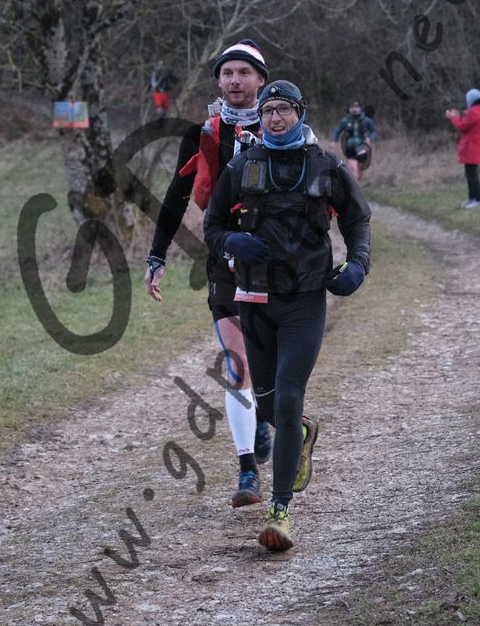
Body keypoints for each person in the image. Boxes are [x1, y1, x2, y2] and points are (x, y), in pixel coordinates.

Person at [204, 80, 371, 551]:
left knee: (289, 393)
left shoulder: (325, 165)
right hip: (253, 298)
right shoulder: (242, 166)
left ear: (300, 113)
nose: (275, 118)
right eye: (268, 111)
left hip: (304, 298)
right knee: (266, 403)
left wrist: (358, 264)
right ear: (260, 117)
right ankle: (298, 432)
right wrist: (231, 241)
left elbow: (357, 219)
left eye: (284, 110)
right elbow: (213, 225)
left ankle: (280, 512)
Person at [144, 39, 273, 506]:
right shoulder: (203, 134)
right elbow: (176, 197)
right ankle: (247, 472)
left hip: (276, 260)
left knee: (269, 365)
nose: (235, 81)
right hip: (225, 258)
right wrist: (157, 256)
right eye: (227, 73)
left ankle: (264, 418)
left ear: (261, 79)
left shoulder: (282, 123)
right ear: (217, 80)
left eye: (244, 72)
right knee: (238, 366)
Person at [446, 88, 480, 208]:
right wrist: (465, 115)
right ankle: (472, 198)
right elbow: (470, 124)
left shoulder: (474, 112)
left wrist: (453, 117)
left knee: (472, 174)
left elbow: (462, 126)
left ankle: (477, 199)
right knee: (470, 172)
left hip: (472, 145)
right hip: (476, 145)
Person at [332, 100, 374, 181]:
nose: (354, 109)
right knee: (353, 170)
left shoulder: (366, 120)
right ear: (349, 109)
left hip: (362, 147)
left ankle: (358, 183)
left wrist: (369, 138)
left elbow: (374, 131)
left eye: (356, 107)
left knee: (360, 170)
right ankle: (354, 183)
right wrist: (334, 140)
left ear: (360, 108)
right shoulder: (346, 120)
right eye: (352, 107)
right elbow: (337, 130)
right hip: (350, 148)